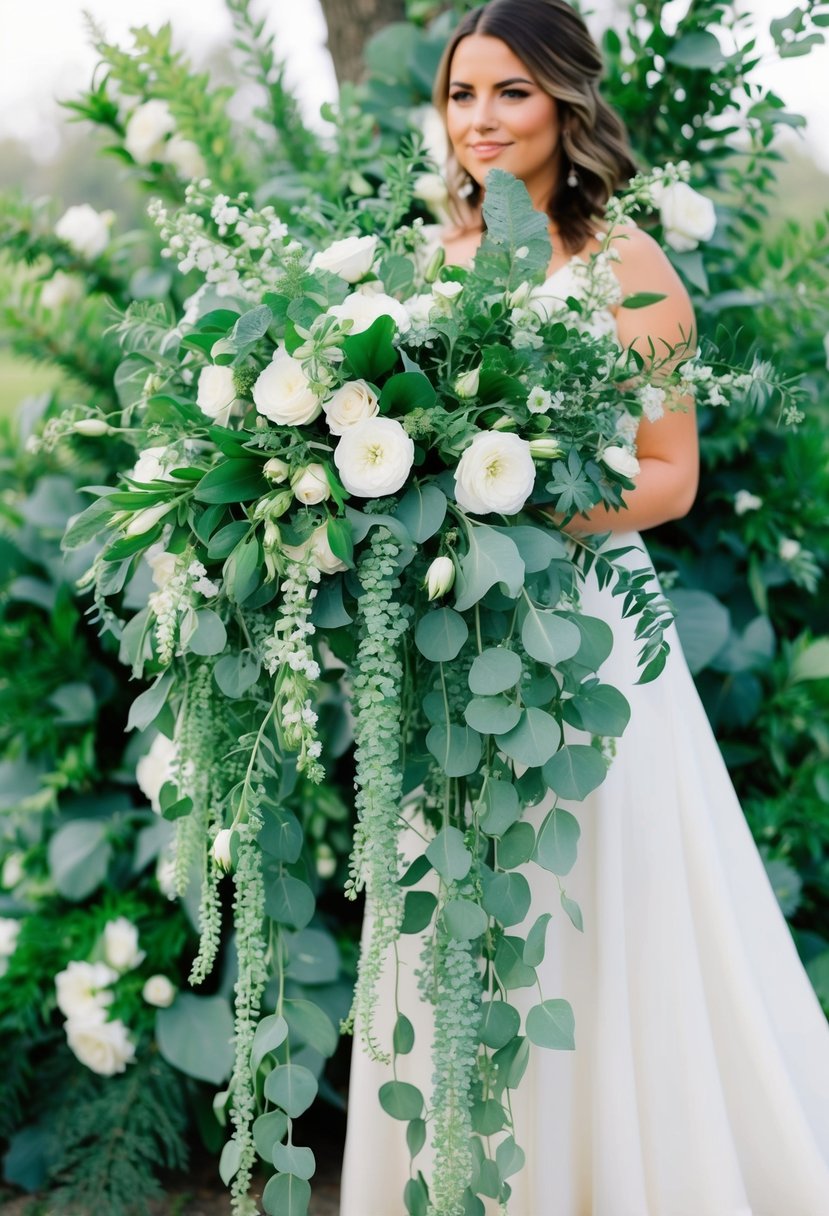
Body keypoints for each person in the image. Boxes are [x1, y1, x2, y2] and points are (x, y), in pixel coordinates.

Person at [339, 2, 829, 1212]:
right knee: (451, 905)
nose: (481, 119)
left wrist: (531, 513)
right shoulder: (419, 266)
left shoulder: (628, 265)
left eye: (510, 92)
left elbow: (671, 474)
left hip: (584, 638)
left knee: (592, 905)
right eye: (463, 94)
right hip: (450, 645)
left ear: (565, 103)